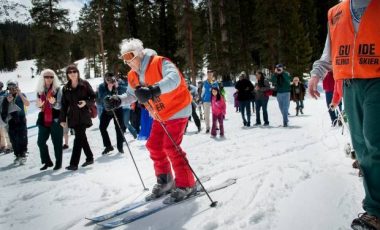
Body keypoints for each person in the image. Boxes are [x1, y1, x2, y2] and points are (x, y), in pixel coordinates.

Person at [309, 1, 380, 229]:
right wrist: (316, 74)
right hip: (349, 85)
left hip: (376, 82)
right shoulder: (336, 12)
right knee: (362, 149)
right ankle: (375, 211)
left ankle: (375, 209)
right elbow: (329, 52)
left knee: (375, 141)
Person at [104, 38, 196, 202]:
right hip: (160, 115)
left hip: (178, 109)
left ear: (139, 54)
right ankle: (165, 181)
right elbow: (132, 95)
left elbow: (174, 79)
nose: (128, 62)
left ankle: (187, 184)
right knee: (153, 145)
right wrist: (118, 100)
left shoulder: (160, 62)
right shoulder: (133, 75)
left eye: (130, 57)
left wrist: (154, 90)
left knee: (170, 146)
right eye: (124, 58)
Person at [60, 64, 96, 171]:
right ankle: (89, 157)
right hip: (73, 117)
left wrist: (86, 102)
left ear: (77, 72)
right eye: (70, 72)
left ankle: (74, 163)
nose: (72, 74)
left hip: (84, 115)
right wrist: (62, 119)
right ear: (67, 75)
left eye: (74, 71)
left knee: (78, 138)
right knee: (82, 137)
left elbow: (93, 97)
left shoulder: (84, 84)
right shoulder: (65, 88)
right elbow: (64, 104)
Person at [36, 69, 63, 170]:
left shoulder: (58, 90)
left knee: (57, 142)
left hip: (55, 119)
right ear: (43, 78)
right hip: (43, 119)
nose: (49, 79)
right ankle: (47, 162)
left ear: (54, 78)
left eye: (51, 77)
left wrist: (54, 103)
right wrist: (39, 106)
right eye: (46, 77)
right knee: (40, 142)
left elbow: (60, 106)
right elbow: (39, 106)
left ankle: (58, 163)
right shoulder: (40, 90)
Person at [1, 80, 30, 165]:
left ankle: (23, 153)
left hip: (21, 119)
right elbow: (4, 108)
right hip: (11, 120)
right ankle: (17, 155)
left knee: (22, 136)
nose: (11, 89)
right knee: (13, 138)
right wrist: (8, 101)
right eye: (9, 87)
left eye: (13, 87)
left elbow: (27, 104)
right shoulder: (6, 96)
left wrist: (20, 94)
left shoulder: (21, 95)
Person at [97, 72, 125, 154]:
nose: (109, 81)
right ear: (104, 79)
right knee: (102, 127)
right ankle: (108, 146)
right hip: (107, 110)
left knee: (119, 127)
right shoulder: (102, 86)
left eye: (111, 79)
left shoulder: (119, 84)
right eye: (107, 79)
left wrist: (117, 87)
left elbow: (125, 94)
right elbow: (101, 98)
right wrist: (108, 90)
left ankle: (120, 147)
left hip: (118, 108)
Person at [117, 74, 138, 139]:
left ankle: (134, 132)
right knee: (120, 123)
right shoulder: (114, 89)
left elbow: (129, 95)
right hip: (119, 109)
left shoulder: (124, 87)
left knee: (126, 123)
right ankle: (122, 136)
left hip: (126, 108)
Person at [0, 81, 12, 154]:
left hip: (5, 115)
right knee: (1, 132)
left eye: (0, 87)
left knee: (6, 131)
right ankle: (2, 146)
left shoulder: (6, 94)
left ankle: (10, 146)